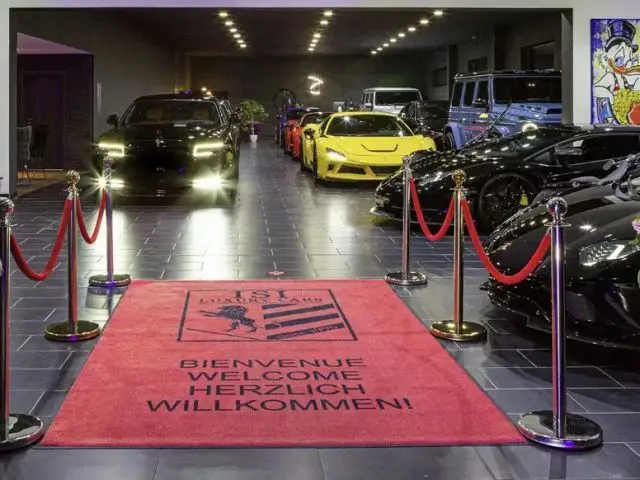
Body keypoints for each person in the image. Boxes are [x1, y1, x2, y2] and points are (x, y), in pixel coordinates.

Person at [594, 20, 640, 124]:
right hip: (615, 121)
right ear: (605, 59)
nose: (625, 65)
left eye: (629, 60)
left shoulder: (627, 77)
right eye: (619, 60)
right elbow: (596, 88)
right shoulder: (611, 77)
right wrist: (610, 96)